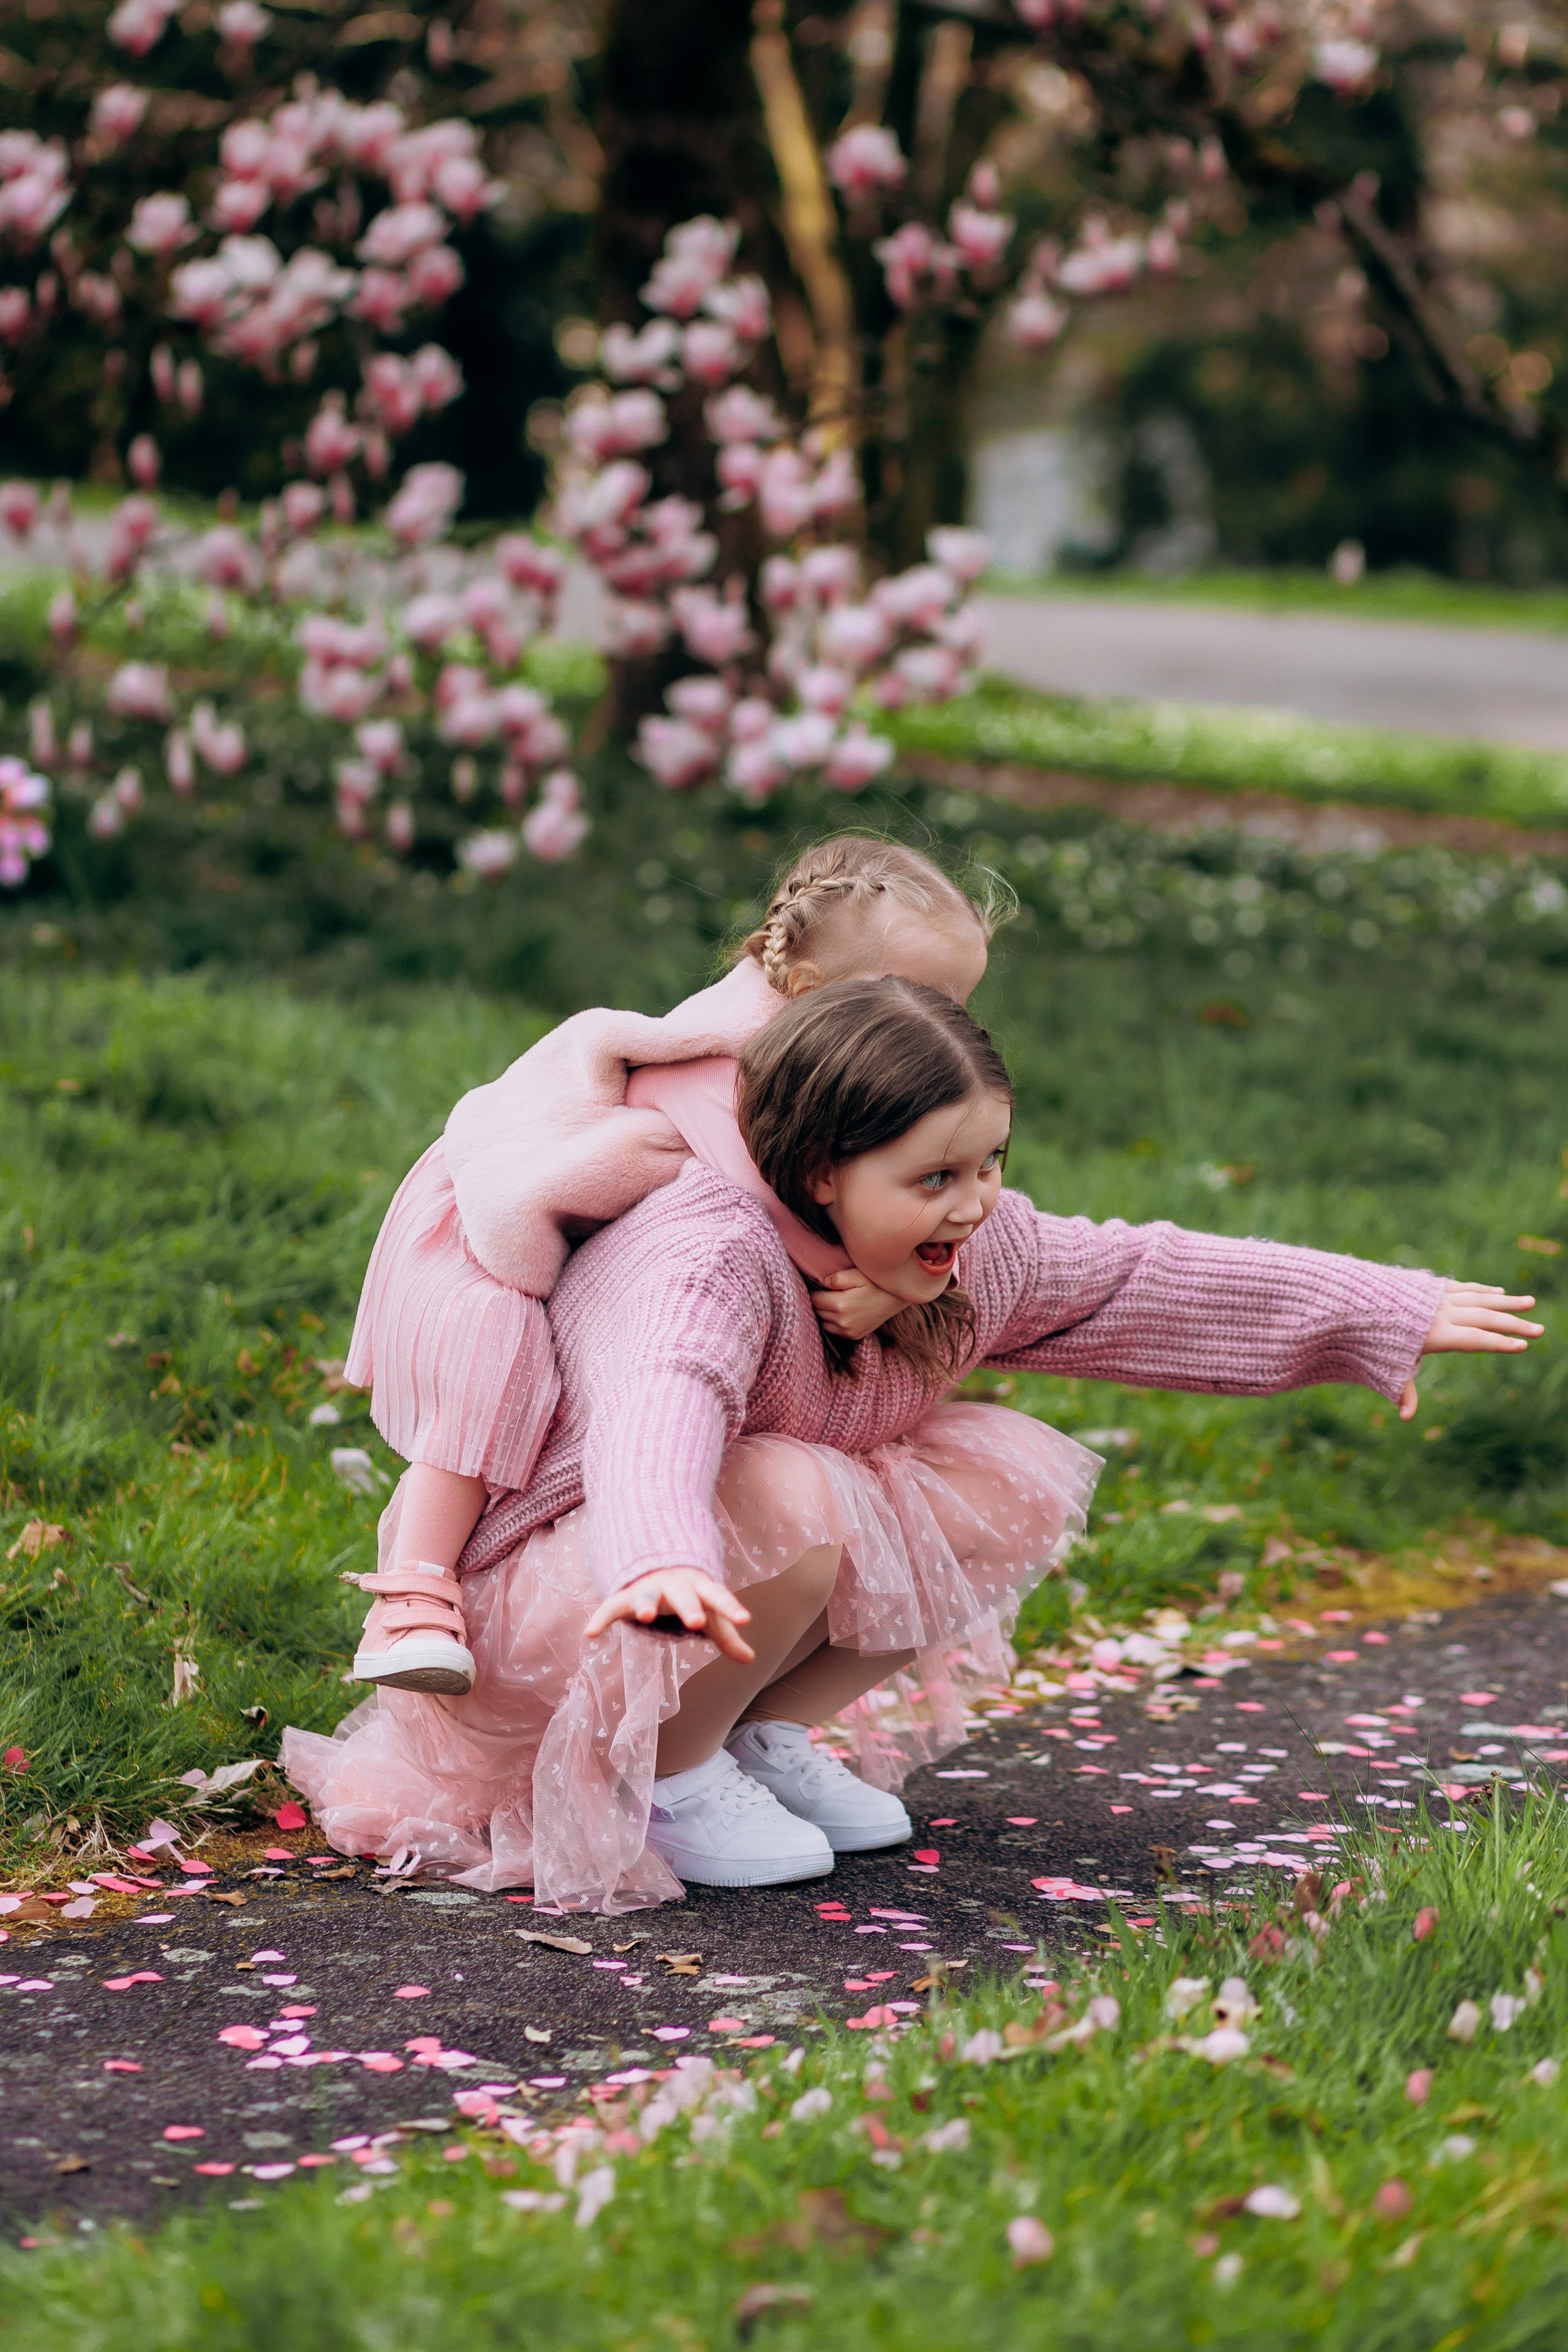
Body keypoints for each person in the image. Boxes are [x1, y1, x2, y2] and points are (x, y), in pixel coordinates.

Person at [281, 981, 1538, 1911]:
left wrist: (1381, 1308)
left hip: (707, 1594)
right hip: (595, 1590)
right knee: (797, 1489)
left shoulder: (958, 1250)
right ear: (824, 1172)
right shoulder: (703, 1256)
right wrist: (659, 1555)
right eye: (936, 1174)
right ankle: (670, 1770)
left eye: (990, 1160)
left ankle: (754, 1737)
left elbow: (1137, 1277)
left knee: (985, 1470)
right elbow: (656, 1403)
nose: (975, 1201)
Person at [341, 835, 999, 1698]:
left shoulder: (824, 1051)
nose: (943, 1021)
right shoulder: (727, 1063)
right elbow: (779, 1201)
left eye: (961, 999)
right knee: (491, 1377)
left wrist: (919, 1275)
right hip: (484, 1221)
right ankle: (412, 1598)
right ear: (806, 989)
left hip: (578, 1216)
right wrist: (901, 1282)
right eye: (922, 995)